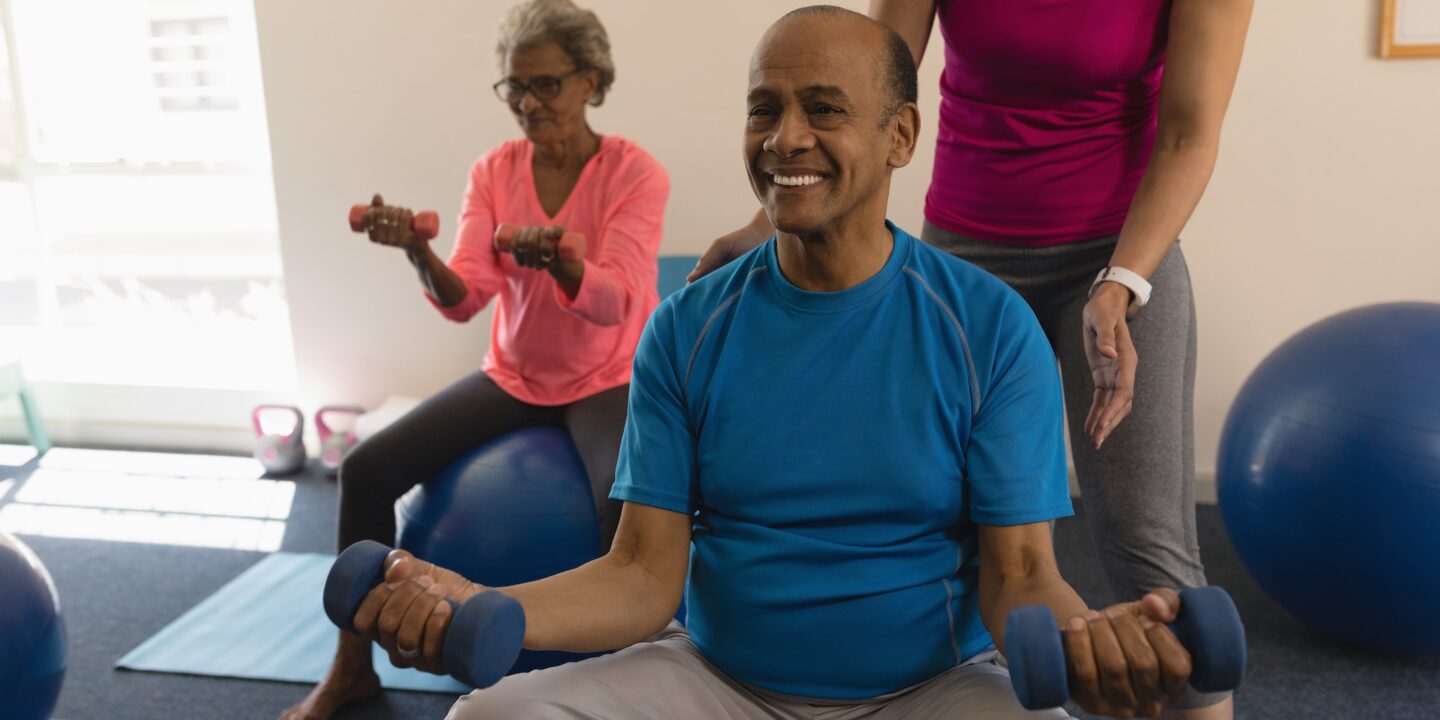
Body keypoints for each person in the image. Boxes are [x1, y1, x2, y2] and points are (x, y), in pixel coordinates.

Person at [350, 8, 1215, 719]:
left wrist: (1092, 642)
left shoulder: (988, 329)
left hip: (930, 691)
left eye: (825, 109)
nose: (785, 138)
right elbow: (643, 574)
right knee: (487, 717)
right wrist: (476, 600)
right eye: (765, 109)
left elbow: (1021, 574)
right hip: (720, 682)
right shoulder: (688, 325)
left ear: (901, 136)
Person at [692, 3, 1253, 717]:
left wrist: (1123, 281)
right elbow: (864, 71)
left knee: (1151, 546)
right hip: (966, 250)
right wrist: (774, 211)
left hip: (1123, 253)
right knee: (966, 541)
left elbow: (1187, 135)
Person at [280, 1, 668, 718]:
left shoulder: (633, 172)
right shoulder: (495, 169)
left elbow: (621, 300)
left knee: (626, 502)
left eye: (546, 85)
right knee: (365, 469)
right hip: (515, 375)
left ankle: (637, 685)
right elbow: (466, 296)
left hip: (607, 376)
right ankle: (350, 665)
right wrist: (418, 252)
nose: (528, 104)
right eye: (515, 88)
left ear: (591, 81)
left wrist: (561, 264)